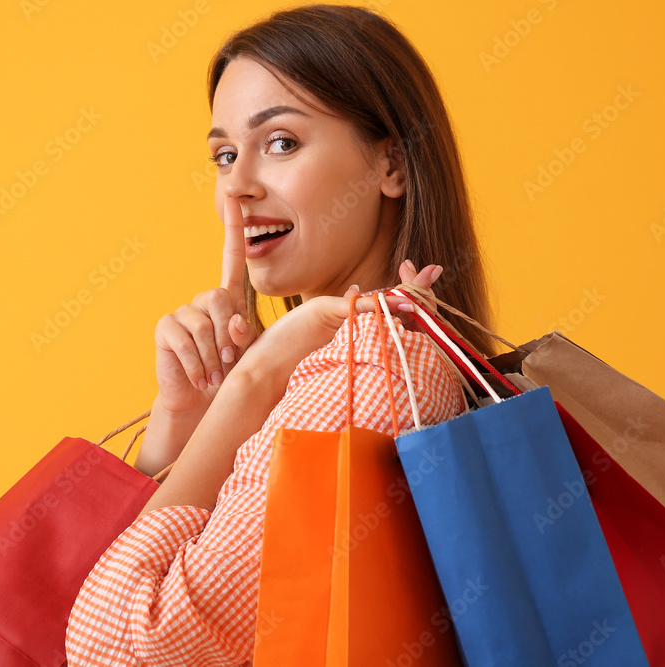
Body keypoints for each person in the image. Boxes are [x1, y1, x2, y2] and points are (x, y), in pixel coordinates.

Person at [65, 4, 494, 664]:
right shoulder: (347, 370)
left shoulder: (367, 374)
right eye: (225, 154)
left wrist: (252, 380)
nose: (235, 187)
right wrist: (181, 433)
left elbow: (122, 648)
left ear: (392, 165)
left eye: (281, 143)